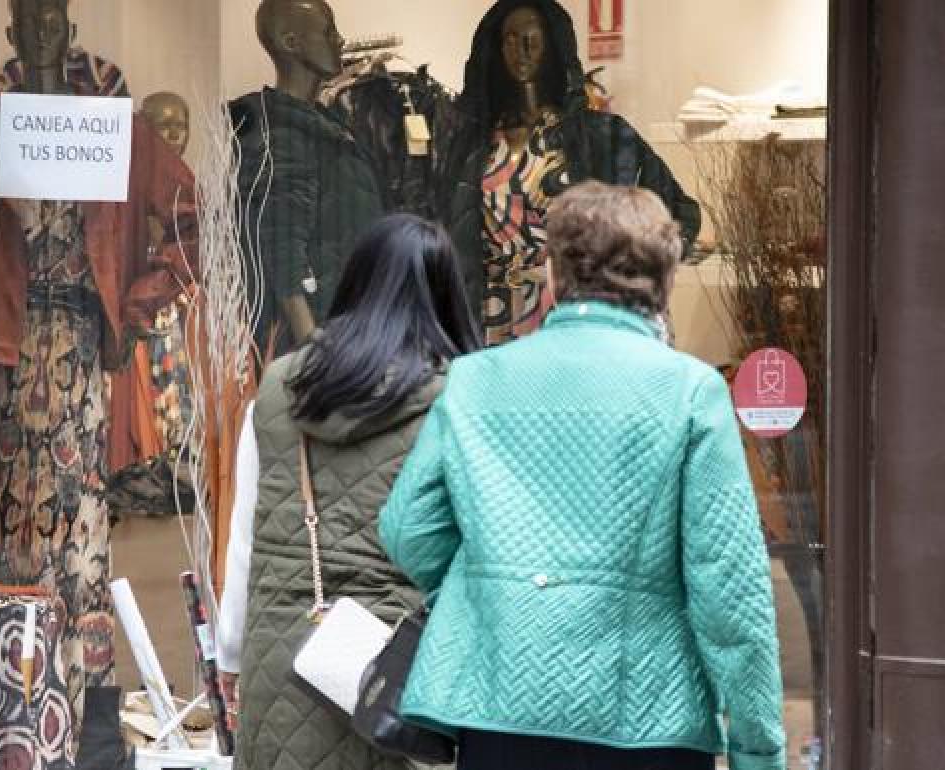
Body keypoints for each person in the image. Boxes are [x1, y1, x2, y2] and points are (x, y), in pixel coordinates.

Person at [380, 182, 786, 770]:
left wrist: (497, 592)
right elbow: (729, 591)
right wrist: (758, 749)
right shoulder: (690, 392)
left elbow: (407, 527)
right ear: (666, 280)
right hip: (646, 718)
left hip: (501, 705)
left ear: (550, 276)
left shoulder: (474, 379)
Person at [216, 213, 481, 770]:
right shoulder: (459, 401)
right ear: (445, 296)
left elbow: (247, 538)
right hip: (393, 674)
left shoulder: (278, 388)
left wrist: (233, 652)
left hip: (281, 655)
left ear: (355, 282)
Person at [433, 0, 700, 345]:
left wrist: (636, 282)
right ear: (496, 49)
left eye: (533, 37)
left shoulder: (601, 135)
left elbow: (679, 213)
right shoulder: (473, 146)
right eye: (511, 39)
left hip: (575, 314)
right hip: (491, 314)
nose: (523, 49)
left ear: (553, 46)